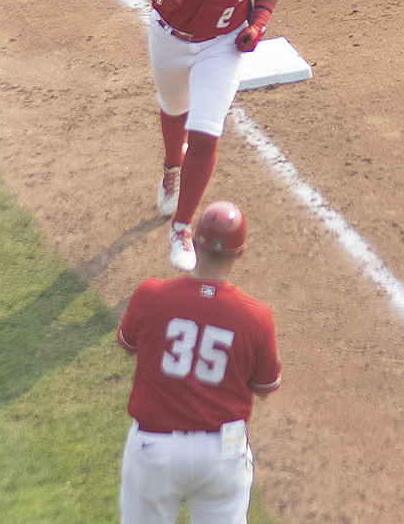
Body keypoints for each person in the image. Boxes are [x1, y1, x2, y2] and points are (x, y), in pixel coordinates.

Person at [117, 0, 287, 271]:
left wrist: (259, 22)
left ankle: (182, 228)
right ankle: (171, 167)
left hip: (222, 44)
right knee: (174, 107)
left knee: (207, 130)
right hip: (170, 38)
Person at [117, 201, 282, 524]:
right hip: (222, 453)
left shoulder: (150, 295)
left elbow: (127, 343)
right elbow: (265, 386)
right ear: (241, 253)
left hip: (154, 449)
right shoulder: (256, 317)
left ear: (192, 241)